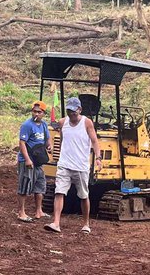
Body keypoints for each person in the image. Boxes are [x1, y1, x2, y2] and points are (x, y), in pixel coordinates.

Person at [44, 97, 102, 234]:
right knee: (59, 192)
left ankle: (86, 223)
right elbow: (63, 139)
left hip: (81, 166)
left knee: (83, 195)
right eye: (69, 112)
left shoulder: (87, 123)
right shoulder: (63, 122)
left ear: (80, 110)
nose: (72, 115)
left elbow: (94, 141)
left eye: (74, 112)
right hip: (64, 164)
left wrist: (98, 158)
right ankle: (56, 223)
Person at [17, 100, 53, 222]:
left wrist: (49, 146)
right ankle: (21, 212)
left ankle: (39, 211)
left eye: (39, 112)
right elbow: (22, 143)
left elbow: (48, 138)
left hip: (39, 160)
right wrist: (27, 159)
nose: (36, 114)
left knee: (40, 185)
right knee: (25, 185)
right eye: (34, 111)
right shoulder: (27, 125)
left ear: (43, 113)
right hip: (28, 160)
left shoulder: (43, 125)